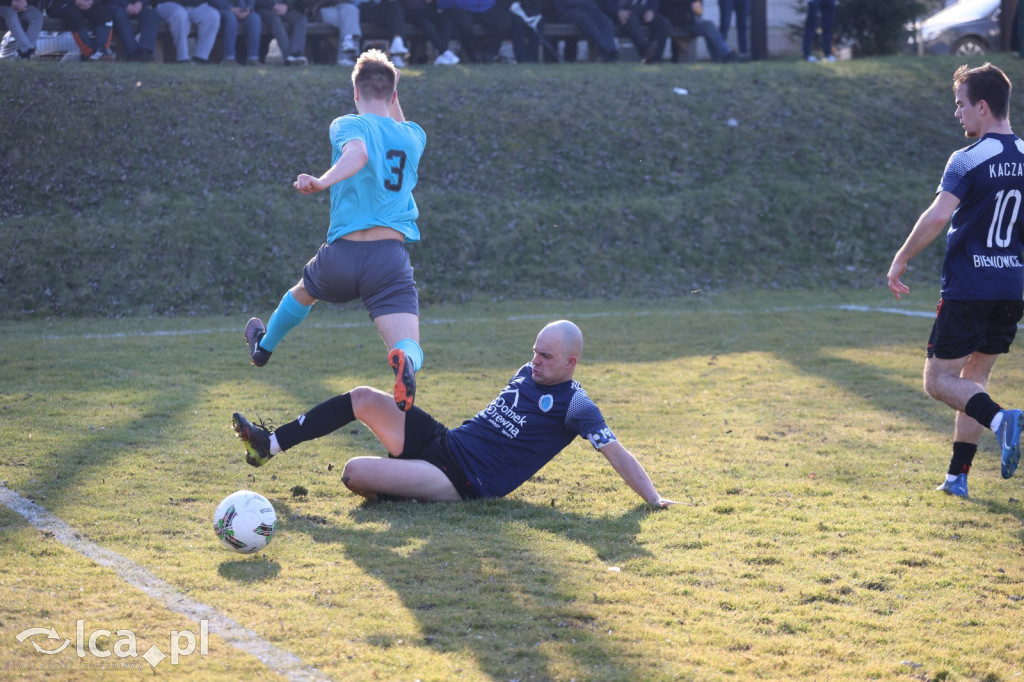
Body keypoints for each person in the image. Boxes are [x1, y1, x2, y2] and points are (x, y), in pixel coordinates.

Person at [232, 320, 677, 508]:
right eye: (534, 352)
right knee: (363, 397)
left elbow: (615, 451)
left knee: (352, 473)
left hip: (462, 481)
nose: (535, 361)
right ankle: (268, 445)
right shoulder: (527, 371)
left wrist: (654, 499)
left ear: (570, 363)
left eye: (545, 356)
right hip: (445, 442)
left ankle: (402, 484)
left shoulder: (577, 406)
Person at [245, 49, 426, 414]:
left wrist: (322, 181)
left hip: (341, 256)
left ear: (355, 93)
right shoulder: (414, 136)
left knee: (302, 293)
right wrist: (393, 92)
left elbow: (357, 154)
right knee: (407, 343)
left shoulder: (348, 123)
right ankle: (404, 362)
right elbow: (395, 124)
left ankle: (263, 349)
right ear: (393, 96)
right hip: (387, 260)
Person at [887, 63, 1024, 499]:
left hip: (970, 288)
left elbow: (940, 214)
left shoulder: (966, 159)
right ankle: (956, 477)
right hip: (1011, 288)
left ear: (982, 107)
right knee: (974, 380)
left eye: (961, 104)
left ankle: (1002, 420)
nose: (957, 113)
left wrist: (901, 257)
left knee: (937, 380)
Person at [660, 0, 739, 63]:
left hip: (683, 18)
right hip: (681, 20)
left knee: (708, 28)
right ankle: (724, 54)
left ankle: (721, 55)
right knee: (709, 26)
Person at [436, 0, 508, 63]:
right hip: (459, 7)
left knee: (502, 22)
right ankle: (474, 54)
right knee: (464, 25)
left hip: (486, 6)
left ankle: (490, 54)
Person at [601, 0, 669, 63]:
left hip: (640, 10)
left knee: (663, 23)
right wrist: (617, 11)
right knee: (629, 17)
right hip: (619, 12)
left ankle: (655, 58)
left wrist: (652, 11)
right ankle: (645, 51)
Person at [44, 0, 116, 60]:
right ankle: (88, 53)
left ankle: (101, 50)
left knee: (103, 13)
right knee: (73, 15)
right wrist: (75, 2)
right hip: (60, 5)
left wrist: (92, 1)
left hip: (87, 4)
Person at [156, 0, 221, 63]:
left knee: (213, 15)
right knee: (180, 15)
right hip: (169, 4)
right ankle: (182, 58)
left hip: (197, 6)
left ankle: (200, 58)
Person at [551, 0, 617, 62]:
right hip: (569, 10)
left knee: (606, 21)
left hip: (590, 8)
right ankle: (608, 50)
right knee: (587, 21)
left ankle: (610, 49)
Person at [401, 0, 459, 65]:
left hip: (424, 10)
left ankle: (441, 55)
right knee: (425, 22)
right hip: (408, 11)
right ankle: (445, 52)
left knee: (446, 21)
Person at [355, 0, 409, 66]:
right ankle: (397, 49)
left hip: (383, 9)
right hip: (362, 9)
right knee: (393, 10)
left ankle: (397, 44)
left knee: (394, 6)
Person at [254, 0, 308, 64]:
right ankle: (288, 57)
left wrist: (286, 6)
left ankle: (296, 53)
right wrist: (273, 5)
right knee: (276, 20)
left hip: (284, 9)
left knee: (300, 20)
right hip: (264, 9)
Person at [309, 0, 361, 65]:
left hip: (343, 8)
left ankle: (348, 42)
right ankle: (348, 56)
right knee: (348, 21)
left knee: (351, 9)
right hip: (324, 9)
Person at [209, 0, 261, 64]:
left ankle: (253, 58)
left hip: (242, 8)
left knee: (255, 19)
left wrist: (249, 8)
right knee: (231, 19)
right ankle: (229, 58)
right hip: (221, 8)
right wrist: (230, 8)